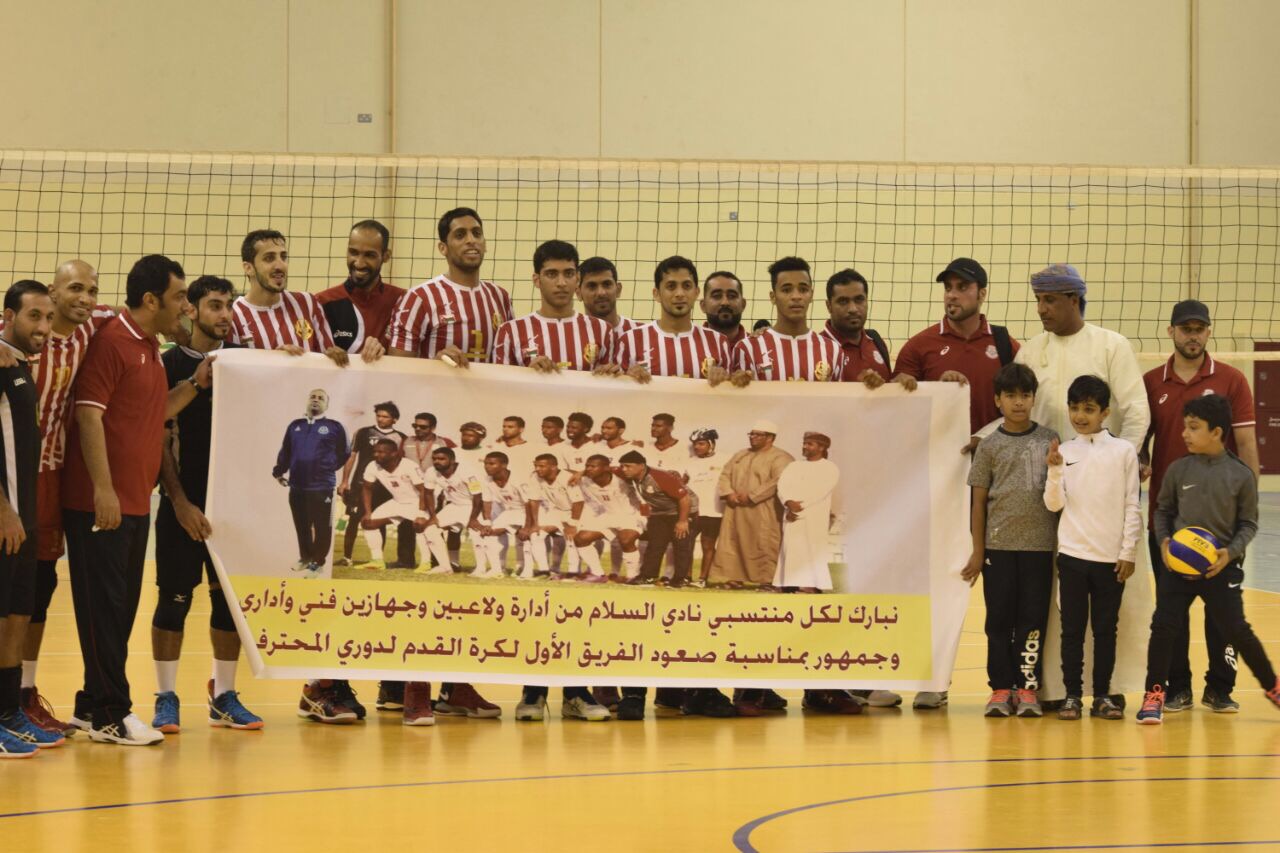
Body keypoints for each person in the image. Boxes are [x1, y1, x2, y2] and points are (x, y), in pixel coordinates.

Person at [63, 255, 209, 746]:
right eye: (179, 296)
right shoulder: (112, 343)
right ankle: (112, 713)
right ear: (150, 300)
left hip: (135, 502)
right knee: (104, 611)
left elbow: (156, 411)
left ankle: (90, 705)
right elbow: (88, 416)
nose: (186, 306)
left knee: (120, 610)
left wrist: (196, 383)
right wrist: (102, 488)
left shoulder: (150, 346)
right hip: (100, 503)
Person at [387, 207, 511, 721]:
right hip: (436, 448)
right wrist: (436, 365)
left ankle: (457, 684)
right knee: (434, 567)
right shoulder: (422, 298)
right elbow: (395, 366)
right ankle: (415, 688)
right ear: (443, 247)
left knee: (467, 566)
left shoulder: (499, 298)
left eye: (477, 232)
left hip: (476, 444)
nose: (470, 240)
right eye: (459, 234)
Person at [1013, 264, 1152, 708]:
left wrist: (1121, 460)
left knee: (1113, 606)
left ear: (1074, 300)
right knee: (1057, 600)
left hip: (1107, 499)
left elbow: (1137, 411)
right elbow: (1016, 411)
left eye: (1050, 300)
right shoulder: (1030, 350)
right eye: (1038, 300)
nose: (1041, 309)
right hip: (1049, 490)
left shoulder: (1112, 345)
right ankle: (1058, 691)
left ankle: (1111, 689)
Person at [149, 275, 262, 736]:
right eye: (215, 305)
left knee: (227, 605)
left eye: (229, 305)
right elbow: (156, 435)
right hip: (182, 505)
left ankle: (224, 696)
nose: (225, 314)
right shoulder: (168, 363)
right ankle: (165, 697)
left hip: (230, 510)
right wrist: (179, 502)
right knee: (173, 603)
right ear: (192, 310)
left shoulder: (244, 361)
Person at [1140, 299, 1257, 713]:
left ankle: (1219, 688)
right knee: (1171, 613)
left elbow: (1246, 444)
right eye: (1185, 328)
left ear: (1208, 332)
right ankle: (1176, 688)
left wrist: (1246, 508)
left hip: (1220, 522)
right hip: (1170, 520)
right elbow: (1140, 442)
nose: (1193, 335)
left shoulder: (1231, 379)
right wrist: (1141, 461)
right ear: (1171, 331)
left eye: (1199, 328)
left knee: (1223, 614)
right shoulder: (1151, 382)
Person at [1138, 394, 1280, 723]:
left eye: (1193, 427)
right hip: (1179, 568)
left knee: (1237, 630)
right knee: (1163, 627)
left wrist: (1229, 553)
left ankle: (1272, 685)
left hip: (1220, 568)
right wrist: (1164, 542)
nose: (1184, 433)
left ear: (1216, 432)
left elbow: (1249, 524)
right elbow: (1162, 511)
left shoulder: (1241, 475)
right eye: (1185, 427)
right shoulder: (1178, 469)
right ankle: (1154, 693)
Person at [18, 260, 114, 736]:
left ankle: (22, 692)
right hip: (11, 475)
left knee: (39, 586)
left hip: (52, 475)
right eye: (75, 288)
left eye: (92, 290)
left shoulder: (94, 327)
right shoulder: (19, 335)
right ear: (52, 293)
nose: (85, 298)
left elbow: (161, 319)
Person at [962, 363, 1059, 719]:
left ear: (1033, 399)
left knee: (1032, 620)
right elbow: (978, 503)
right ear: (997, 400)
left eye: (1025, 395)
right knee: (999, 621)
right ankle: (1001, 688)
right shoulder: (989, 447)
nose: (1018, 402)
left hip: (1039, 547)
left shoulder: (1049, 439)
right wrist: (978, 551)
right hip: (998, 549)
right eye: (1011, 396)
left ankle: (1028, 688)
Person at [1042, 376, 1140, 720]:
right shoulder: (1065, 451)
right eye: (1074, 408)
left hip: (1110, 560)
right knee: (1071, 631)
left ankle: (1102, 696)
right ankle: (1071, 696)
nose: (1080, 416)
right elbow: (1053, 504)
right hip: (1072, 558)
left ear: (1105, 412)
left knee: (1105, 631)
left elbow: (1132, 504)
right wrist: (1055, 471)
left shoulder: (1124, 451)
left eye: (1088, 409)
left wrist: (1128, 552)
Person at [0, 281, 65, 757]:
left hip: (24, 517)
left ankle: (8, 712)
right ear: (8, 317)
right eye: (34, 317)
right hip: (5, 516)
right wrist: (4, 509)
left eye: (48, 317)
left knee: (17, 615)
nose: (44, 326)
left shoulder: (20, 365)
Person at [416, 447, 499, 720]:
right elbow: (428, 493)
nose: (438, 462)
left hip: (473, 507)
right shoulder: (431, 472)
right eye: (435, 459)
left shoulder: (468, 472)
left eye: (442, 459)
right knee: (429, 528)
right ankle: (444, 566)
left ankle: (482, 568)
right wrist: (432, 514)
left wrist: (473, 518)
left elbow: (477, 496)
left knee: (477, 532)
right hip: (453, 507)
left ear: (452, 460)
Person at [894, 258, 1017, 438]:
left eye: (962, 287)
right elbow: (899, 409)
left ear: (982, 294)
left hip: (993, 450)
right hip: (938, 450)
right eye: (948, 288)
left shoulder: (1005, 344)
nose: (951, 295)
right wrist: (902, 385)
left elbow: (1022, 401)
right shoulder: (918, 345)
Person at [493, 241, 617, 372]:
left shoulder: (603, 330)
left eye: (568, 274)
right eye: (551, 274)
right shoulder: (510, 332)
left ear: (577, 278)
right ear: (536, 280)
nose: (561, 283)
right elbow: (499, 382)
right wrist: (528, 374)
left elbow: (609, 382)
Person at [230, 229, 346, 361]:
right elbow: (232, 369)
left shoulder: (307, 303)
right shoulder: (234, 316)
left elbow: (327, 359)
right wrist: (277, 361)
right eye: (269, 258)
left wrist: (334, 355)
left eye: (283, 257)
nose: (280, 265)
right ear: (248, 268)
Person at [616, 256, 733, 384]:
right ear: (656, 294)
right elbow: (616, 391)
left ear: (696, 292)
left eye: (687, 286)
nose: (680, 294)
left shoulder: (718, 342)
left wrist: (725, 379)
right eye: (671, 286)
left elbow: (729, 393)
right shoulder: (630, 340)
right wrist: (627, 378)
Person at [273, 388, 349, 577]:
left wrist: (327, 467)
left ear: (327, 404)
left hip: (322, 486)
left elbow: (344, 452)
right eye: (312, 397)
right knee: (302, 524)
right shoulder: (295, 426)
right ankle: (305, 557)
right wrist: (279, 472)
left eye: (320, 398)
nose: (316, 400)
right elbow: (286, 451)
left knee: (322, 526)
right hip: (297, 485)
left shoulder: (334, 427)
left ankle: (318, 562)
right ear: (307, 401)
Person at [731, 257, 845, 382]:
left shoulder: (833, 350)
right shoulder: (748, 348)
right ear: (773, 297)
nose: (796, 296)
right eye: (786, 290)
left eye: (803, 289)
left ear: (811, 295)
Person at [336, 402, 412, 569]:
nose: (380, 419)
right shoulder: (363, 432)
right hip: (361, 483)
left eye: (385, 416)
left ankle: (377, 559)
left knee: (378, 520)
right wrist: (344, 481)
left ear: (395, 419)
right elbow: (351, 456)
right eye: (378, 415)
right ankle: (347, 557)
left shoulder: (401, 437)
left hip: (385, 487)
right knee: (354, 519)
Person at [821, 268, 917, 391]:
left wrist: (898, 383)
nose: (853, 309)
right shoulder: (819, 348)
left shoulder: (876, 340)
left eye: (859, 300)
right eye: (843, 301)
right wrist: (857, 389)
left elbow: (886, 391)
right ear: (829, 306)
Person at [315, 219, 399, 360]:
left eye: (369, 255)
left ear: (386, 256)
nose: (359, 263)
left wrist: (386, 355)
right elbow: (308, 354)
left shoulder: (402, 302)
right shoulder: (321, 302)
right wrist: (325, 354)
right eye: (353, 252)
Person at [359, 439, 440, 574]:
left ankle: (426, 563)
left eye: (381, 452)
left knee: (420, 525)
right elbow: (366, 488)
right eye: (375, 451)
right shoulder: (372, 466)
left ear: (394, 453)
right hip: (397, 501)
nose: (376, 455)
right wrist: (368, 512)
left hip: (417, 501)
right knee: (368, 523)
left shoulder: (409, 465)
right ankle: (377, 561)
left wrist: (421, 514)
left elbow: (423, 491)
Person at [775, 432, 841, 592]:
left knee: (812, 549)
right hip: (791, 514)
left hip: (814, 515)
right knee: (791, 549)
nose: (804, 446)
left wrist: (798, 508)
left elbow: (821, 492)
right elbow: (782, 485)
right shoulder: (794, 466)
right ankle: (789, 585)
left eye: (810, 444)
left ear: (821, 447)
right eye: (804, 443)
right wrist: (787, 502)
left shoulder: (829, 468)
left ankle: (812, 586)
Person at [684, 429, 725, 588]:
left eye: (701, 444)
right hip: (693, 511)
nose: (697, 447)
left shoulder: (724, 460)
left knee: (708, 545)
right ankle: (686, 576)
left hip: (714, 511)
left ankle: (703, 579)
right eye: (695, 444)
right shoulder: (689, 462)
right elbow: (682, 483)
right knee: (687, 544)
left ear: (711, 444)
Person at [577, 256, 636, 336]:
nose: (601, 293)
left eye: (607, 284)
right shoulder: (569, 336)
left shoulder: (641, 333)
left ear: (618, 290)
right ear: (578, 293)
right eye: (592, 286)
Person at [701, 270, 747, 348]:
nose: (725, 302)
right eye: (717, 296)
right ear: (703, 305)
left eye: (732, 296)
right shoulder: (687, 346)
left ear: (743, 304)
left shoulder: (758, 346)